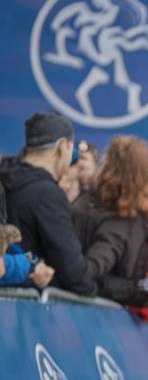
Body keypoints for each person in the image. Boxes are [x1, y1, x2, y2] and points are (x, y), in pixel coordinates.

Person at [0, 113, 95, 295]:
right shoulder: (48, 194)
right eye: (71, 149)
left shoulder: (5, 178)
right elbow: (73, 271)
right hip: (27, 315)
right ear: (61, 148)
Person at [73, 136, 148, 308]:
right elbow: (90, 272)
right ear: (141, 174)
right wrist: (147, 289)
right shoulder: (120, 220)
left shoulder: (86, 202)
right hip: (96, 318)